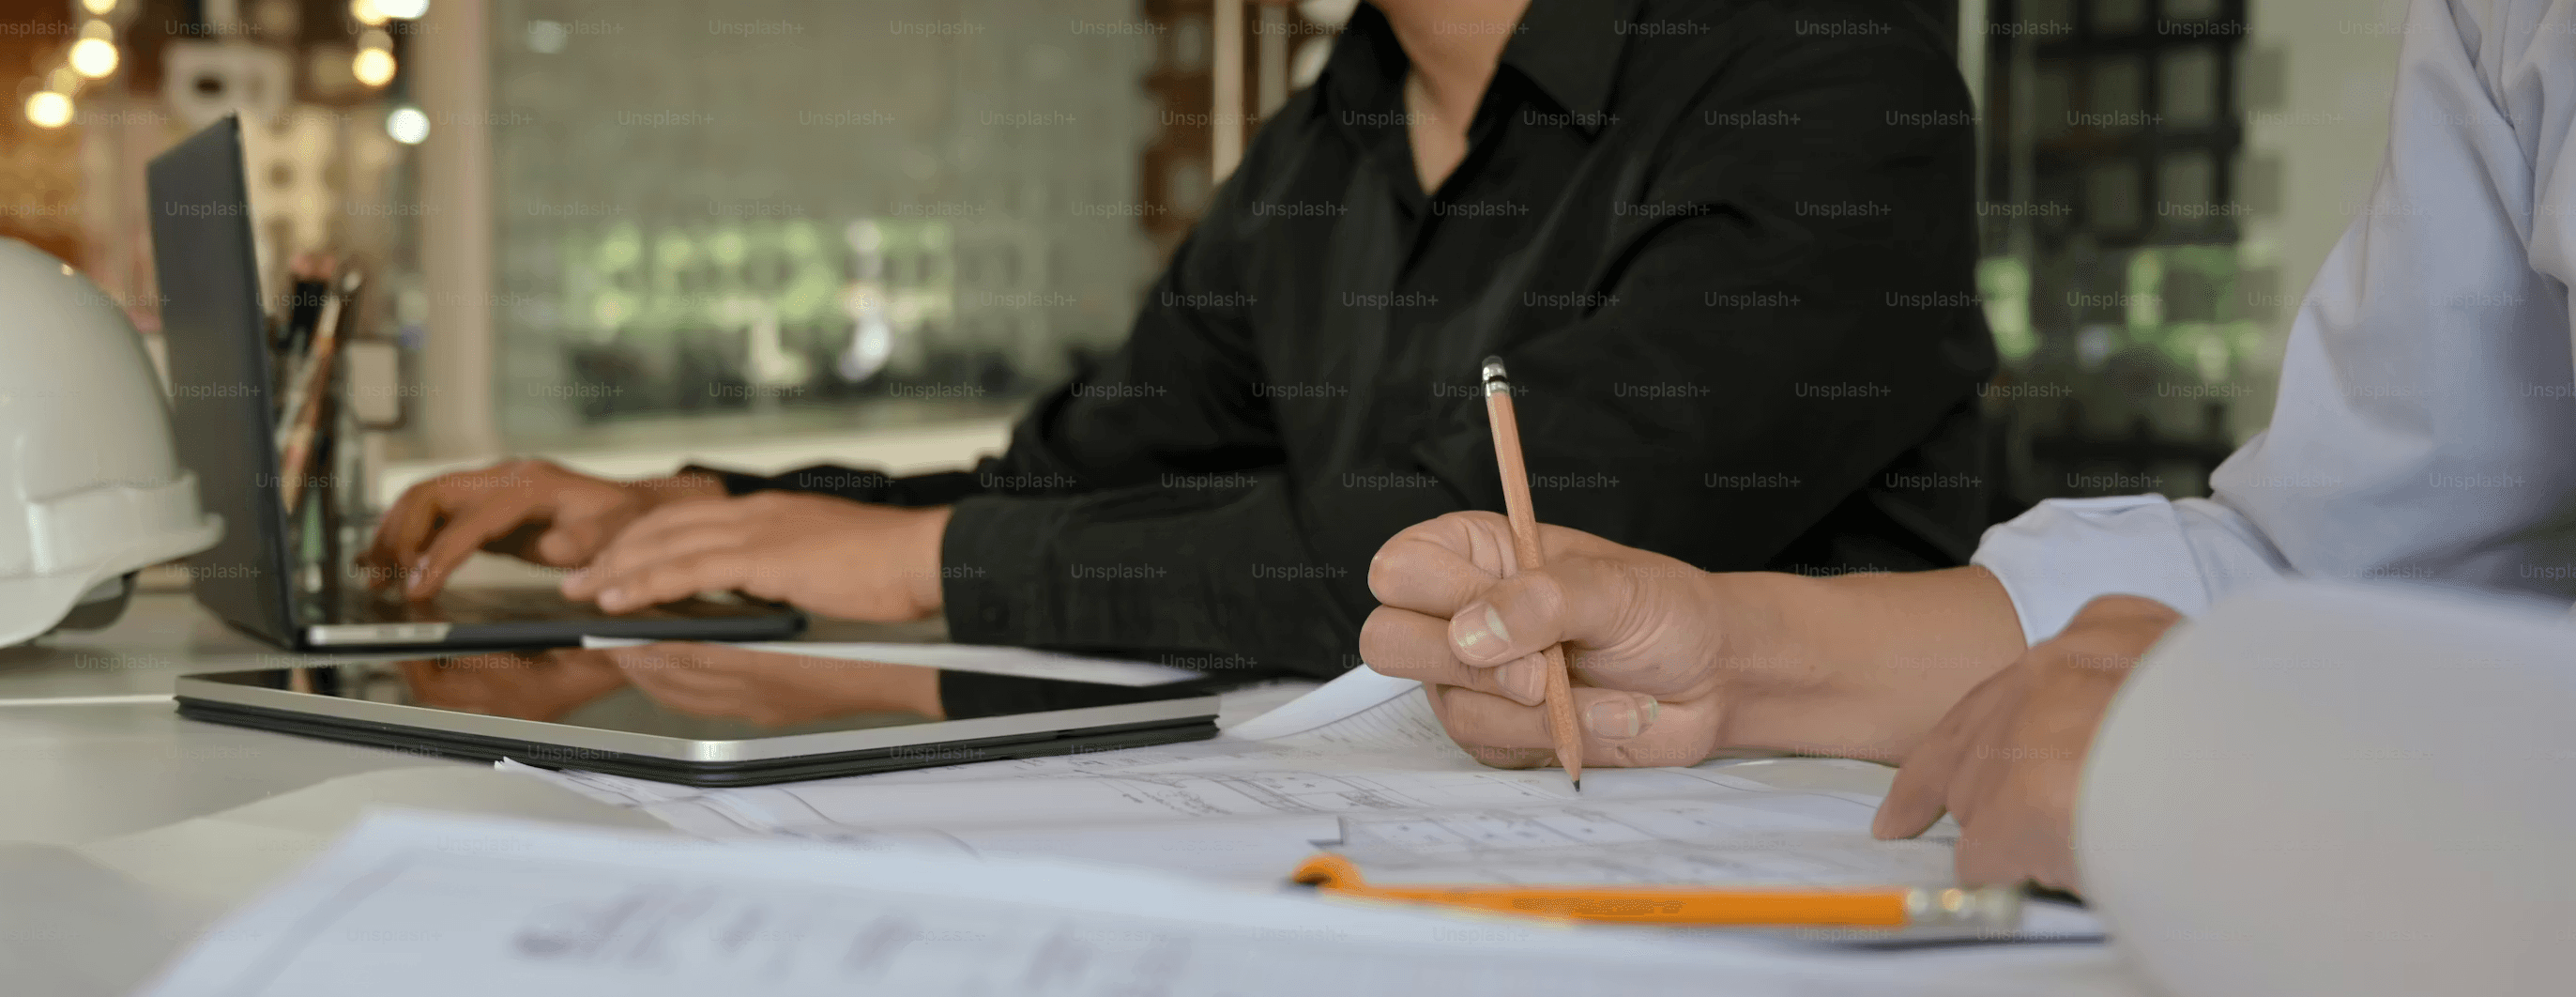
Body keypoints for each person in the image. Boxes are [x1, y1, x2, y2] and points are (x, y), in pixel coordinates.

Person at [365, 0, 1995, 679]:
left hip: (1775, 877)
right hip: (1365, 840)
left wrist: (928, 560)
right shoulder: (1326, 140)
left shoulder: (1825, 76)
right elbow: (1074, 482)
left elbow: (1485, 550)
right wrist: (706, 512)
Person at [1360, 0, 2576, 889]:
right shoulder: (2502, 21)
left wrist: (2298, 784)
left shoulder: (1820, 77)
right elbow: (2335, 576)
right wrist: (1726, 658)